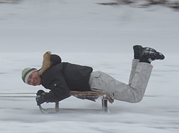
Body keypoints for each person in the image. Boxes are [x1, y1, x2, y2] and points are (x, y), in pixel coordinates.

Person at [21, 45, 164, 106]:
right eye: (30, 83)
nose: (32, 81)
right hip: (96, 80)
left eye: (31, 77)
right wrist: (46, 94)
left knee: (135, 96)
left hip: (96, 82)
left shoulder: (48, 75)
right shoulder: (49, 74)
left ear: (36, 70)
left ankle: (145, 59)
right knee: (130, 89)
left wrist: (45, 98)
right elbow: (60, 87)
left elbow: (62, 91)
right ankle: (139, 56)